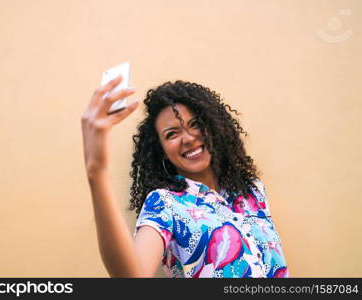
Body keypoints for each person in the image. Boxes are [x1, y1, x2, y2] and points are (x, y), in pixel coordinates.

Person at [81, 75, 289, 278]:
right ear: (161, 150)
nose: (188, 138)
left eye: (196, 124)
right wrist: (97, 173)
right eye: (172, 134)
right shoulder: (165, 203)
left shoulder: (252, 190)